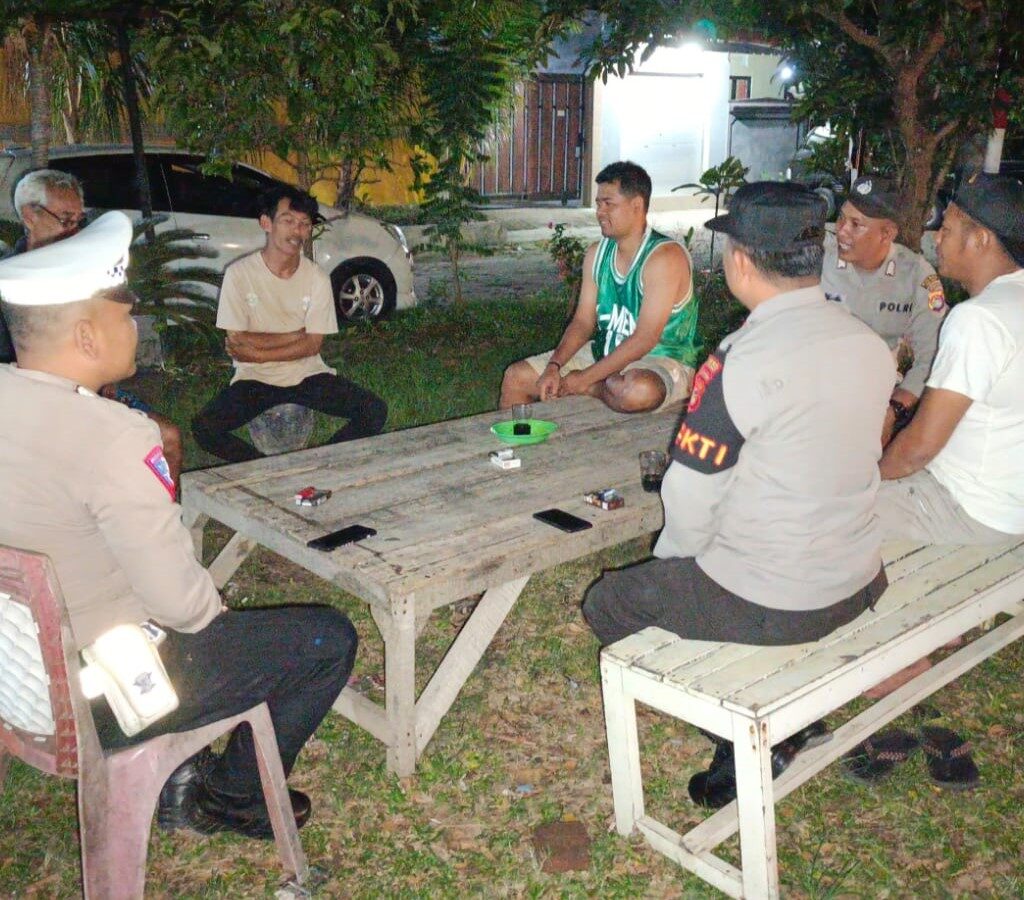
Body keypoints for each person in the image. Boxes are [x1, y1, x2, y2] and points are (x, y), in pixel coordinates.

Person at [0, 212, 357, 839]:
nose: (136, 327)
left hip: (20, 681)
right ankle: (231, 797)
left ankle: (185, 776)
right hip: (106, 697)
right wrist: (208, 605)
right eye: (124, 314)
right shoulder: (111, 437)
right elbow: (184, 609)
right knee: (325, 639)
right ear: (86, 337)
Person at [582, 182, 896, 807]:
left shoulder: (738, 361)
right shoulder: (868, 344)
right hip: (859, 581)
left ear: (742, 261)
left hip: (776, 600)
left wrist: (676, 570)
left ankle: (753, 733)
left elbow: (691, 501)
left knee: (609, 601)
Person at [1, 168, 184, 487]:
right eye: (65, 219)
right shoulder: (12, 282)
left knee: (167, 436)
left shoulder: (87, 267)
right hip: (34, 406)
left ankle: (154, 517)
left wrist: (104, 380)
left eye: (78, 220)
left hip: (92, 392)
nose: (74, 230)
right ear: (30, 216)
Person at [877, 173, 1024, 543]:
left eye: (947, 228)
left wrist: (870, 478)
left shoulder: (979, 320)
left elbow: (918, 449)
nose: (936, 238)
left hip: (965, 508)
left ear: (981, 239)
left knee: (820, 508)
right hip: (1010, 505)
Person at [192, 185, 387, 462]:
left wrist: (258, 351)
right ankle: (264, 469)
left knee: (374, 410)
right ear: (266, 223)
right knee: (204, 428)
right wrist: (296, 335)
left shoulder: (316, 278)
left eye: (304, 224)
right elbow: (237, 341)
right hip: (255, 377)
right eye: (288, 221)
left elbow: (312, 346)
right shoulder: (239, 274)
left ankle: (319, 462)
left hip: (307, 374)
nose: (296, 231)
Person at [499, 161, 700, 413]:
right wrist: (554, 366)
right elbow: (583, 322)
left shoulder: (664, 258)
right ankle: (512, 451)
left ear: (637, 206)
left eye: (609, 204)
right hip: (603, 355)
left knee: (638, 391)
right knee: (516, 377)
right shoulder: (596, 254)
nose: (600, 212)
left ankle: (594, 390)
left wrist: (584, 380)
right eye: (598, 204)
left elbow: (645, 339)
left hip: (658, 361)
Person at [821, 175, 947, 443]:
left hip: (875, 400)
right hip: (815, 393)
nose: (842, 230)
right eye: (842, 218)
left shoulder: (915, 275)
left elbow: (934, 355)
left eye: (857, 225)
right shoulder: (819, 261)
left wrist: (895, 408)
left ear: (887, 234)